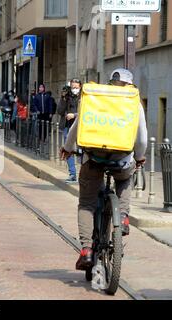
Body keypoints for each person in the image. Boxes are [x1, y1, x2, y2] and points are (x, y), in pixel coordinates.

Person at [61, 68, 148, 271]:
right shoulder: (134, 102)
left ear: (110, 83)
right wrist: (139, 156)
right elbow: (142, 137)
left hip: (94, 159)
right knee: (125, 179)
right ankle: (123, 217)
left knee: (86, 204)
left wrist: (67, 147)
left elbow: (76, 127)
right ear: (130, 85)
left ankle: (86, 250)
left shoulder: (94, 98)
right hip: (121, 160)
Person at [57, 79, 82, 183]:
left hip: (80, 127)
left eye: (76, 87)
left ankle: (83, 175)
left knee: (82, 151)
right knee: (68, 150)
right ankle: (72, 174)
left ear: (80, 87)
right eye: (72, 87)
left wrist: (74, 115)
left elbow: (86, 112)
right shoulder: (67, 97)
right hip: (68, 126)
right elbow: (60, 111)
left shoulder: (84, 97)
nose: (74, 89)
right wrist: (63, 98)